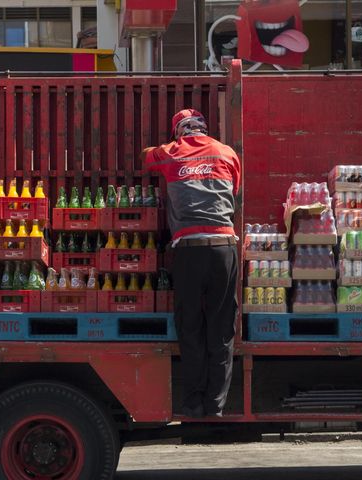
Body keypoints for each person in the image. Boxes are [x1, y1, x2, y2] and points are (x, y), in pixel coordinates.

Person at [143, 109, 241, 418]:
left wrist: (175, 147)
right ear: (205, 129)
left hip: (188, 248)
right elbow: (234, 192)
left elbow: (145, 156)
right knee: (222, 326)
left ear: (177, 132)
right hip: (224, 246)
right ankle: (216, 405)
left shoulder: (171, 152)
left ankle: (193, 402)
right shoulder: (227, 152)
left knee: (190, 326)